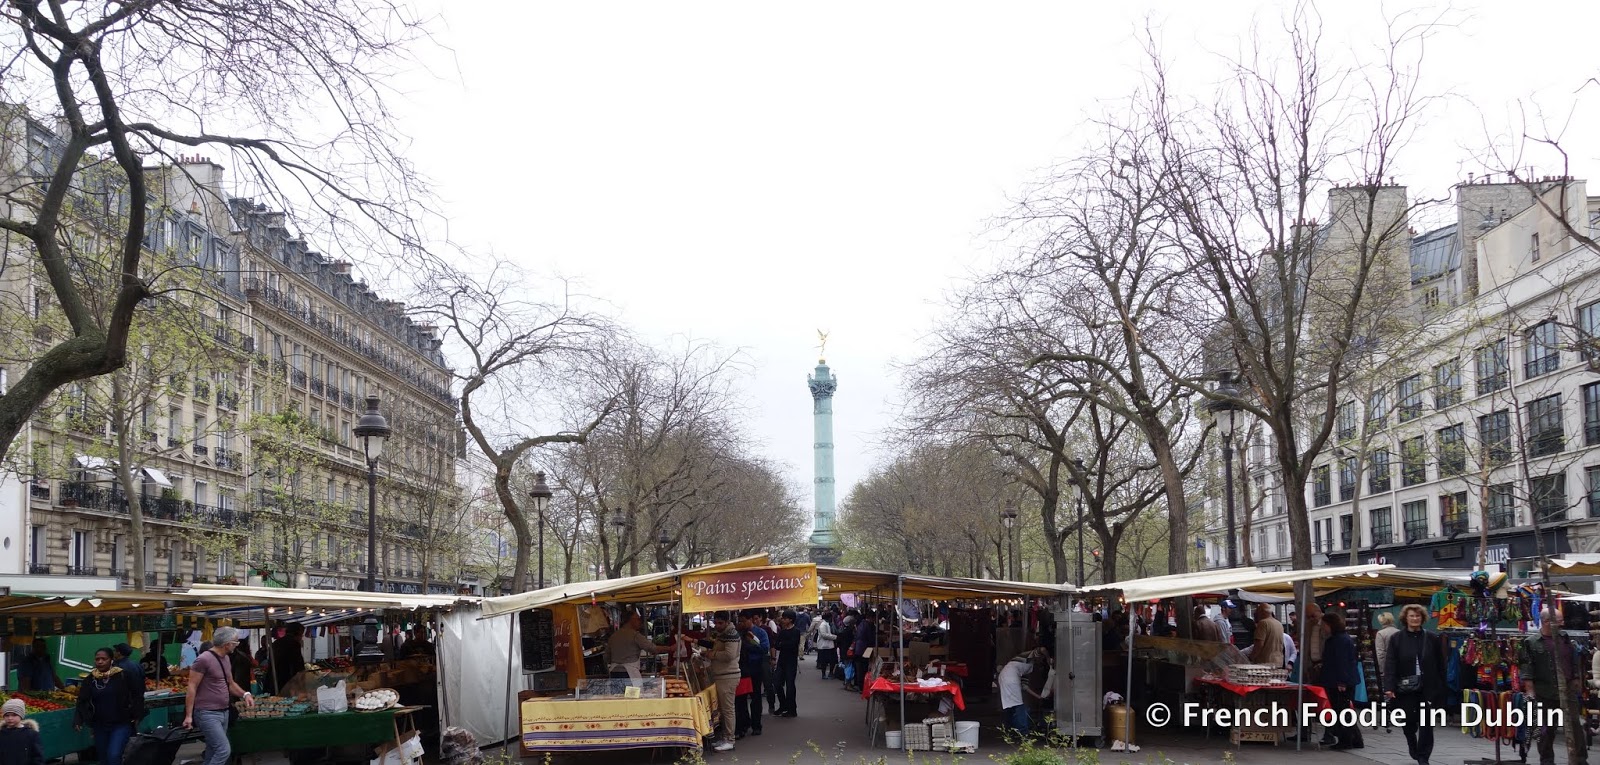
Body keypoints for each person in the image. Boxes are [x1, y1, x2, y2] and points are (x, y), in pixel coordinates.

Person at [1517, 608, 1587, 765]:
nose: (1563, 623)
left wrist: (1576, 678)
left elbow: (1573, 659)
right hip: (1544, 692)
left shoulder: (1565, 638)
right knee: (1546, 730)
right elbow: (1526, 668)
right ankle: (1547, 761)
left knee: (1575, 727)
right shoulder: (1530, 642)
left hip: (1567, 691)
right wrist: (1530, 690)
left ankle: (1580, 760)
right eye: (1559, 620)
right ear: (1547, 621)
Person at [183, 627, 254, 765]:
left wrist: (245, 694)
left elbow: (230, 683)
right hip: (206, 712)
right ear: (227, 644)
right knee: (223, 750)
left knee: (212, 749)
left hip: (224, 711)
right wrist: (188, 715)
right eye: (235, 642)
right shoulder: (203, 660)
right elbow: (192, 687)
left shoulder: (226, 659)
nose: (236, 645)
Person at [1384, 604, 1444, 765]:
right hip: (1405, 687)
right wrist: (1389, 687)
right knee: (1408, 720)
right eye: (1411, 616)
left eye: (1418, 616)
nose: (1415, 619)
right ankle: (1412, 743)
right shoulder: (1397, 638)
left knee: (1427, 723)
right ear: (1406, 618)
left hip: (1427, 686)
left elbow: (1440, 663)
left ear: (1422, 618)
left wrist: (1441, 686)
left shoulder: (1431, 637)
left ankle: (1423, 756)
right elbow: (1390, 663)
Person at [74, 647, 143, 765]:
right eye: (97, 659)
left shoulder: (123, 676)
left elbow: (138, 694)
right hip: (99, 725)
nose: (100, 662)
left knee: (114, 755)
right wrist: (78, 719)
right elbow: (82, 700)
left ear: (111, 660)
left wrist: (137, 715)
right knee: (103, 758)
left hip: (121, 724)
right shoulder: (90, 679)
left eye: (103, 659)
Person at [1319, 611, 1363, 750]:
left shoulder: (1339, 640)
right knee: (1345, 710)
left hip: (1339, 681)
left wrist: (1342, 682)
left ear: (1330, 625)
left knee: (1341, 711)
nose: (1323, 628)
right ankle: (1355, 739)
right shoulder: (1341, 638)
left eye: (1324, 625)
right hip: (1341, 679)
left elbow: (1342, 662)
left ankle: (1346, 740)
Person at [698, 612, 741, 753]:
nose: (717, 626)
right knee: (724, 709)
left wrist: (712, 655)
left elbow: (730, 655)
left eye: (720, 623)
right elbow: (717, 646)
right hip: (722, 675)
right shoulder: (724, 634)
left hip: (728, 676)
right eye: (715, 623)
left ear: (727, 621)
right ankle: (726, 737)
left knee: (728, 709)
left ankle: (730, 740)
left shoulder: (731, 634)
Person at [606, 611, 669, 680]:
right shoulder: (635, 635)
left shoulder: (613, 636)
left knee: (617, 691)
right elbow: (652, 648)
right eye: (638, 619)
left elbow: (607, 658)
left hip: (614, 673)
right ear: (632, 620)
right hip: (630, 674)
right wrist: (670, 648)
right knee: (632, 691)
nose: (640, 622)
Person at [734, 613, 768, 738]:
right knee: (741, 700)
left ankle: (756, 725)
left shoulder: (759, 633)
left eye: (743, 621)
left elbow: (764, 649)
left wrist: (748, 646)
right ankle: (743, 725)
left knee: (755, 699)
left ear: (750, 620)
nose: (741, 624)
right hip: (742, 670)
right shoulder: (738, 634)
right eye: (739, 621)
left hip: (755, 669)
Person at [998, 648, 1040, 735]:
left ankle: (1008, 729)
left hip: (1005, 677)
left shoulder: (1028, 669)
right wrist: (1048, 658)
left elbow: (1024, 686)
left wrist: (1038, 696)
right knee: (1019, 706)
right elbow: (1042, 649)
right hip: (1011, 678)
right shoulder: (1025, 657)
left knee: (1010, 706)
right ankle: (1023, 731)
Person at [772, 611, 802, 717]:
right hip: (782, 661)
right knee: (776, 683)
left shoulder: (796, 631)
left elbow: (793, 645)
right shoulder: (782, 632)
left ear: (790, 619)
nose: (783, 620)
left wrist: (783, 644)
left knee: (790, 686)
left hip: (791, 662)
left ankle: (792, 709)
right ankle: (783, 705)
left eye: (785, 618)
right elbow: (777, 645)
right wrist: (784, 644)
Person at [0, 698, 43, 765]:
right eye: (7, 715)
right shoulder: (1, 733)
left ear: (21, 715)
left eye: (14, 715)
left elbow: (37, 756)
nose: (10, 718)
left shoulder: (31, 734)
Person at [268, 623, 305, 694]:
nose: (301, 638)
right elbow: (298, 665)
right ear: (297, 633)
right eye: (301, 635)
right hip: (287, 681)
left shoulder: (276, 643)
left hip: (273, 680)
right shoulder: (294, 644)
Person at [849, 611, 876, 694]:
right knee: (863, 668)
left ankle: (859, 684)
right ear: (871, 618)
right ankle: (862, 686)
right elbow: (870, 638)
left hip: (859, 648)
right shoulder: (868, 625)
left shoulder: (861, 624)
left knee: (859, 668)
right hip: (864, 649)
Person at [1373, 611, 1399, 687]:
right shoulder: (1399, 632)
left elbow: (1380, 653)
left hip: (1386, 667)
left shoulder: (1381, 633)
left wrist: (1381, 670)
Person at [811, 612, 838, 679]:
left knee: (829, 660)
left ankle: (828, 673)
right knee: (825, 661)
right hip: (824, 646)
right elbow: (824, 635)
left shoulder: (827, 624)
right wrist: (835, 637)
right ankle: (824, 674)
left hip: (827, 645)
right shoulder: (823, 625)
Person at [835, 614, 857, 688]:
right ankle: (848, 683)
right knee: (849, 667)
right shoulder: (850, 632)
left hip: (843, 651)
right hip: (848, 652)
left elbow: (838, 642)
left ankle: (846, 682)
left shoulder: (842, 631)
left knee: (847, 666)